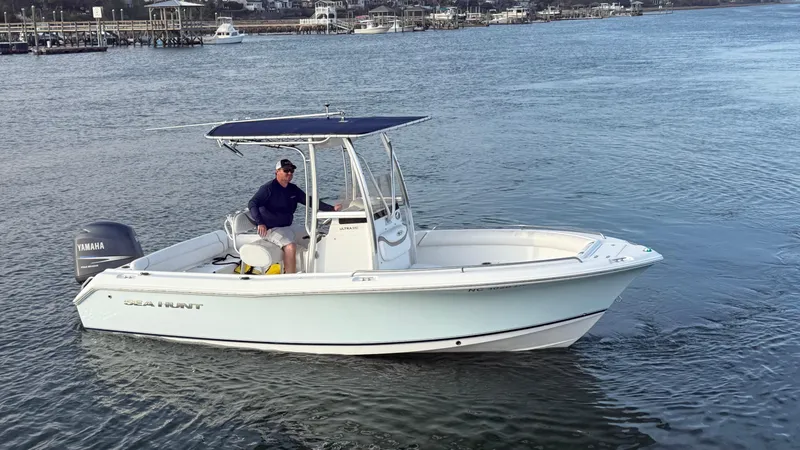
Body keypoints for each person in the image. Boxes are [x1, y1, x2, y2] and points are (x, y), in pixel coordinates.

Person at [248, 159, 341, 274]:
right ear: (277, 172)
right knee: (290, 246)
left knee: (315, 237)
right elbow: (252, 203)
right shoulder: (268, 189)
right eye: (286, 170)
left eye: (291, 171)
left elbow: (309, 201)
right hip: (270, 229)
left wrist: (331, 209)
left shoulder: (293, 189)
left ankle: (318, 270)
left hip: (288, 226)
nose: (289, 173)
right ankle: (289, 277)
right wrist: (260, 223)